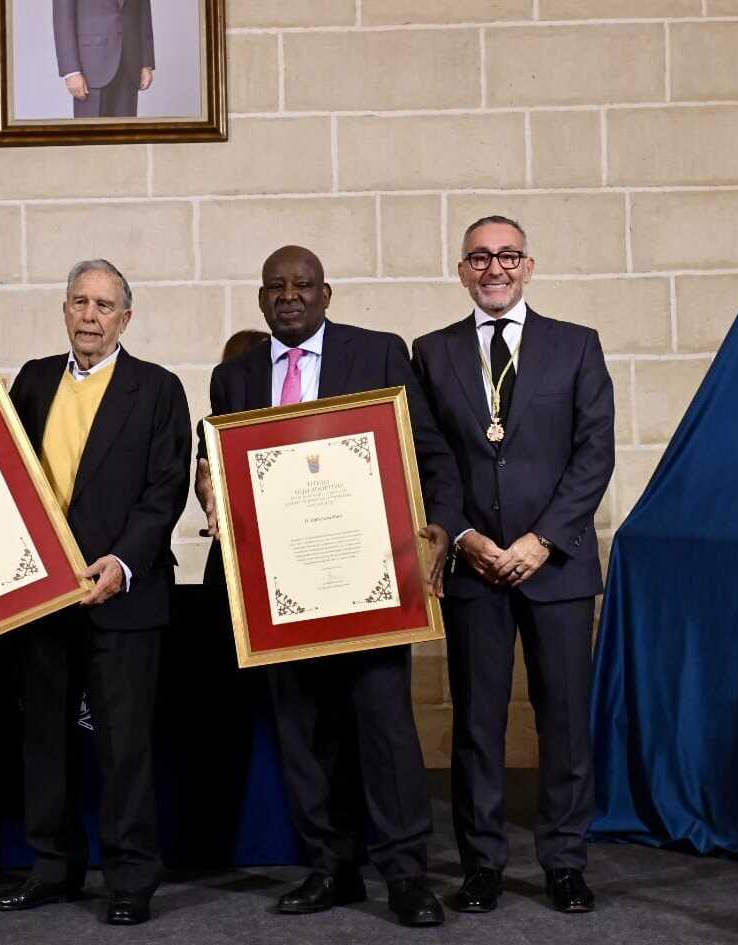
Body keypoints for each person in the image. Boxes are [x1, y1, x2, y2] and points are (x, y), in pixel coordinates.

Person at [196, 245, 462, 927]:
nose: (290, 295)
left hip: (369, 581)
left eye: (303, 284)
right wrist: (208, 482)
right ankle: (331, 867)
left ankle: (406, 875)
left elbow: (430, 454)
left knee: (384, 730)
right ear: (261, 300)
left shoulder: (378, 354)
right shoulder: (234, 377)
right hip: (283, 593)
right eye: (276, 286)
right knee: (304, 735)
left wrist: (438, 528)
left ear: (327, 293)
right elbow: (218, 461)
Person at [0, 259, 189, 926]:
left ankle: (129, 879)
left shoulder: (157, 389)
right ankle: (52, 868)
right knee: (45, 739)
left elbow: (164, 493)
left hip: (124, 597)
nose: (90, 316)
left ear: (126, 317)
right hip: (43, 601)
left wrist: (123, 561)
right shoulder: (33, 380)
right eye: (80, 302)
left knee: (125, 747)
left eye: (104, 305)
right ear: (64, 310)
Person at [411, 215, 614, 915]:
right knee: (476, 723)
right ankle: (482, 865)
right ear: (461, 269)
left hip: (555, 567)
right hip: (476, 567)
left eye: (507, 256)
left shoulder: (576, 345)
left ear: (528, 265)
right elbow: (431, 457)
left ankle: (563, 862)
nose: (493, 268)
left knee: (563, 721)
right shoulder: (431, 353)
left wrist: (543, 539)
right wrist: (463, 534)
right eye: (479, 257)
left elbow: (595, 455)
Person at [53, 0, 154, 118]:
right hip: (91, 67)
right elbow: (63, 20)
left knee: (125, 133)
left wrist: (147, 63)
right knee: (90, 134)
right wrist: (71, 71)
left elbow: (144, 11)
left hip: (129, 63)